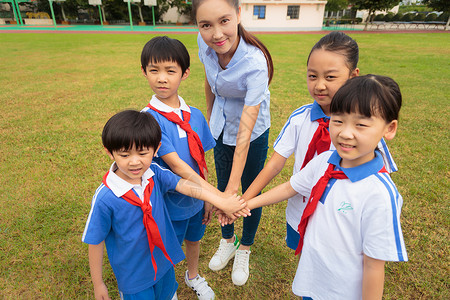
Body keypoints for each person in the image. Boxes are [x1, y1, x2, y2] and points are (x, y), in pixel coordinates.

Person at [244, 75, 408, 299]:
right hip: (312, 281)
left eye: (360, 124)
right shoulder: (324, 161)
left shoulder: (379, 194)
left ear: (389, 129)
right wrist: (245, 205)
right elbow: (290, 187)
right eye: (338, 120)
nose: (345, 133)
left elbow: (374, 266)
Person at [242, 32, 398, 252]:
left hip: (341, 222)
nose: (320, 85)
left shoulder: (366, 130)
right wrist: (244, 200)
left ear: (353, 76)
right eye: (313, 76)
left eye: (330, 77)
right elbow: (275, 164)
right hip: (300, 212)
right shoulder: (300, 118)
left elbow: (381, 176)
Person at [82, 110, 248, 300]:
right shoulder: (106, 198)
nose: (135, 162)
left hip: (163, 262)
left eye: (143, 153)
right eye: (125, 155)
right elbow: (95, 240)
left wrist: (219, 200)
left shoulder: (154, 172)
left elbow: (183, 185)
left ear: (156, 148)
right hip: (133, 277)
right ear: (110, 152)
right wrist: (98, 283)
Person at [192, 0, 274, 286]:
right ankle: (228, 240)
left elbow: (245, 133)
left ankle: (245, 248)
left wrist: (232, 190)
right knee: (222, 186)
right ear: (198, 26)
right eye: (206, 25)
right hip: (221, 126)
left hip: (251, 133)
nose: (216, 34)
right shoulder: (205, 44)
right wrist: (210, 118)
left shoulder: (255, 63)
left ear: (239, 15)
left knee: (248, 191)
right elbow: (209, 81)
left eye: (224, 21)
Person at [140, 35, 220, 300]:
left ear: (184, 74)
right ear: (144, 72)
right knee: (166, 247)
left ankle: (193, 275)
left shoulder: (195, 115)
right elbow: (176, 165)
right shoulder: (148, 119)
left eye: (170, 71)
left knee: (194, 238)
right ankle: (169, 288)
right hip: (165, 201)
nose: (162, 78)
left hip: (196, 199)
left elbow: (201, 162)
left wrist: (207, 198)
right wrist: (214, 195)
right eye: (154, 70)